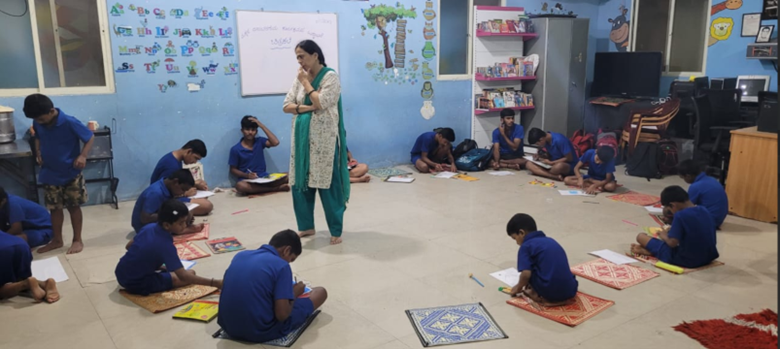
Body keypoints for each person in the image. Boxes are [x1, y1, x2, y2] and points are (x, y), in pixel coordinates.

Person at [282, 40, 351, 245]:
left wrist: (306, 84)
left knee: (327, 184)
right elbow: (286, 105)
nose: (299, 61)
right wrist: (307, 108)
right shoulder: (300, 77)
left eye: (302, 56)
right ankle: (306, 226)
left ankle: (336, 230)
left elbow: (321, 102)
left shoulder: (330, 77)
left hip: (324, 141)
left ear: (315, 55)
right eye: (297, 57)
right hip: (301, 139)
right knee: (300, 183)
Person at [218, 230, 328, 343]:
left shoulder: (241, 255)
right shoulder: (282, 266)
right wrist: (294, 293)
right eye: (291, 259)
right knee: (320, 292)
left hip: (228, 326)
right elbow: (282, 315)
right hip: (259, 331)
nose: (289, 263)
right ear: (287, 250)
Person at [24, 94, 94, 254]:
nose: (39, 122)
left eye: (41, 119)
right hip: (49, 172)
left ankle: (77, 240)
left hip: (71, 172)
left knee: (73, 206)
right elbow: (38, 136)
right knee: (54, 208)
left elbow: (90, 137)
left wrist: (83, 156)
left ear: (51, 111)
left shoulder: (69, 122)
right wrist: (38, 151)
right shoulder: (38, 121)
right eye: (36, 120)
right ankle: (57, 240)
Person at [117, 200, 223, 296]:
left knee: (174, 271)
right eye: (181, 223)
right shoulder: (165, 245)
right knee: (191, 273)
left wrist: (153, 262)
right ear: (167, 225)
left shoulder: (148, 228)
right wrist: (214, 283)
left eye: (185, 221)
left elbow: (128, 246)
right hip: (135, 282)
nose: (185, 225)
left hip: (120, 272)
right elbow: (184, 277)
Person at [631, 186, 719, 268]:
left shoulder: (680, 215)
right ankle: (652, 251)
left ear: (673, 205)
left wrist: (664, 235)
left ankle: (653, 251)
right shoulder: (704, 209)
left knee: (641, 237)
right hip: (709, 256)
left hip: (688, 261)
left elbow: (672, 243)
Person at [506, 213, 578, 306]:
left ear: (521, 233)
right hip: (571, 290)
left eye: (515, 238)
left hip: (549, 293)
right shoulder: (551, 240)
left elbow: (526, 274)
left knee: (529, 270)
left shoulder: (526, 246)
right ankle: (561, 299)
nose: (516, 242)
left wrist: (518, 287)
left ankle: (537, 295)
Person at [149, 139, 213, 216]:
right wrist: (184, 194)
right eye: (195, 158)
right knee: (207, 205)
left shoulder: (174, 158)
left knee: (203, 188)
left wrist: (195, 184)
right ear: (189, 151)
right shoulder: (172, 166)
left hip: (170, 193)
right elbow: (164, 192)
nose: (195, 162)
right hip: (163, 200)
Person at [230, 115, 290, 195]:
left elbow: (275, 142)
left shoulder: (260, 141)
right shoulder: (235, 149)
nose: (250, 132)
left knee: (290, 175)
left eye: (253, 130)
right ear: (242, 130)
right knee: (240, 186)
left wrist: (261, 125)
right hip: (248, 180)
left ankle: (265, 188)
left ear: (256, 131)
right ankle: (275, 189)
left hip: (264, 177)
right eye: (247, 129)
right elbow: (233, 169)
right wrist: (247, 175)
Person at [131, 169, 204, 235]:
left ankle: (181, 226)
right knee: (178, 218)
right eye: (183, 189)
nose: (183, 193)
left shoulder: (168, 187)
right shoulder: (156, 193)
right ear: (175, 182)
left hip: (157, 216)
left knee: (187, 212)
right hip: (144, 227)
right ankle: (185, 230)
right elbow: (145, 218)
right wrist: (173, 216)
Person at [0, 231, 60, 303]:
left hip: (2, 251)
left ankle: (25, 284)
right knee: (20, 277)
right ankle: (44, 283)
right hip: (21, 244)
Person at [678, 160, 728, 229]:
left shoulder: (695, 186)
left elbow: (686, 206)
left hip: (709, 221)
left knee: (678, 216)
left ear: (688, 176)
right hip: (719, 219)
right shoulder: (712, 179)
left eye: (683, 177)